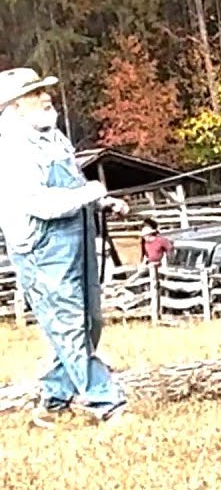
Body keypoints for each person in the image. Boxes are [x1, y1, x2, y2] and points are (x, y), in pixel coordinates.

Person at [0, 67, 131, 428]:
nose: (46, 98)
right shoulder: (10, 149)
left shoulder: (53, 136)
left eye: (44, 91)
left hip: (76, 233)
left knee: (89, 324)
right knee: (69, 327)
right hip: (41, 247)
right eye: (34, 94)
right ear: (12, 106)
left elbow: (72, 182)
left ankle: (52, 402)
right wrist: (90, 194)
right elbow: (40, 204)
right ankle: (108, 404)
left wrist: (103, 203)